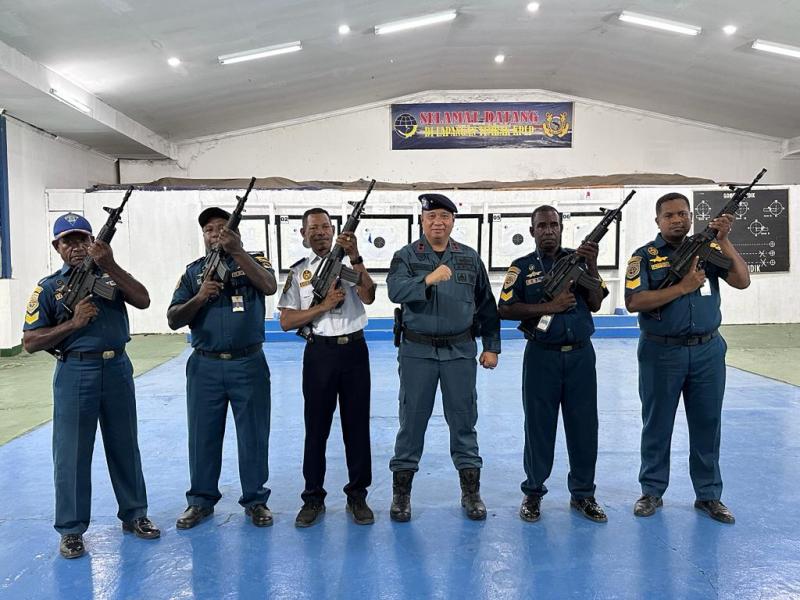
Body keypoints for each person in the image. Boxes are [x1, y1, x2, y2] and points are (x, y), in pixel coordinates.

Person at [22, 212, 159, 559]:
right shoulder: (49, 287)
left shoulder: (108, 277)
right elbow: (31, 341)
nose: (78, 247)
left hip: (116, 369)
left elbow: (143, 299)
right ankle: (70, 529)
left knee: (125, 446)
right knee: (71, 455)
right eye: (69, 241)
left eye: (83, 239)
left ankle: (135, 515)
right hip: (75, 373)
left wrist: (110, 264)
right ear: (58, 247)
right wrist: (73, 324)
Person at [625, 192, 750, 524]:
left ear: (691, 216)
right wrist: (683, 287)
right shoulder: (645, 257)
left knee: (708, 424)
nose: (677, 220)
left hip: (708, 351)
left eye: (683, 214)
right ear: (658, 221)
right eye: (669, 215)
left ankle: (709, 495)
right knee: (657, 424)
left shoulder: (708, 250)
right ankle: (651, 491)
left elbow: (741, 280)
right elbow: (635, 302)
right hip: (661, 351)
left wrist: (725, 241)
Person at [386, 193, 501, 522]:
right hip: (417, 352)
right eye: (431, 216)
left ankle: (471, 493)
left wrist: (491, 346)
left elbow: (486, 305)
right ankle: (401, 496)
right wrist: (428, 279)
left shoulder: (468, 258)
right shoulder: (406, 256)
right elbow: (395, 291)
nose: (438, 222)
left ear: (453, 221)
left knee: (464, 422)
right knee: (412, 423)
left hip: (459, 352)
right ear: (421, 220)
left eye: (444, 217)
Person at [168, 206, 277, 529]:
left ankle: (255, 500)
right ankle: (200, 501)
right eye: (209, 229)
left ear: (235, 232)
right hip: (205, 367)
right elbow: (174, 318)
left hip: (249, 363)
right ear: (203, 236)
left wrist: (237, 251)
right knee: (203, 436)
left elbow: (269, 286)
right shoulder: (193, 273)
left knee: (254, 435)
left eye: (221, 227)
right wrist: (200, 297)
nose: (215, 233)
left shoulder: (254, 261)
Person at [497, 205, 609, 523]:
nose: (549, 230)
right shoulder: (521, 268)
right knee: (538, 428)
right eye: (542, 225)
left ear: (561, 228)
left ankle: (584, 495)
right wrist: (551, 305)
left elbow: (597, 302)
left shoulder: (579, 260)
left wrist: (592, 263)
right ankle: (533, 493)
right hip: (541, 356)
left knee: (585, 428)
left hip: (581, 357)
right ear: (532, 231)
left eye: (554, 225)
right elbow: (505, 309)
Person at [278, 208, 377, 527]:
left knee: (357, 427)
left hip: (354, 352)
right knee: (316, 429)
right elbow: (286, 321)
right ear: (303, 234)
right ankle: (312, 497)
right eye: (313, 228)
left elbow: (369, 294)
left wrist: (356, 256)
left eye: (325, 226)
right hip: (319, 353)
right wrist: (322, 306)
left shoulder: (348, 268)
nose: (320, 232)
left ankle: (357, 496)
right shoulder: (298, 273)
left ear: (334, 230)